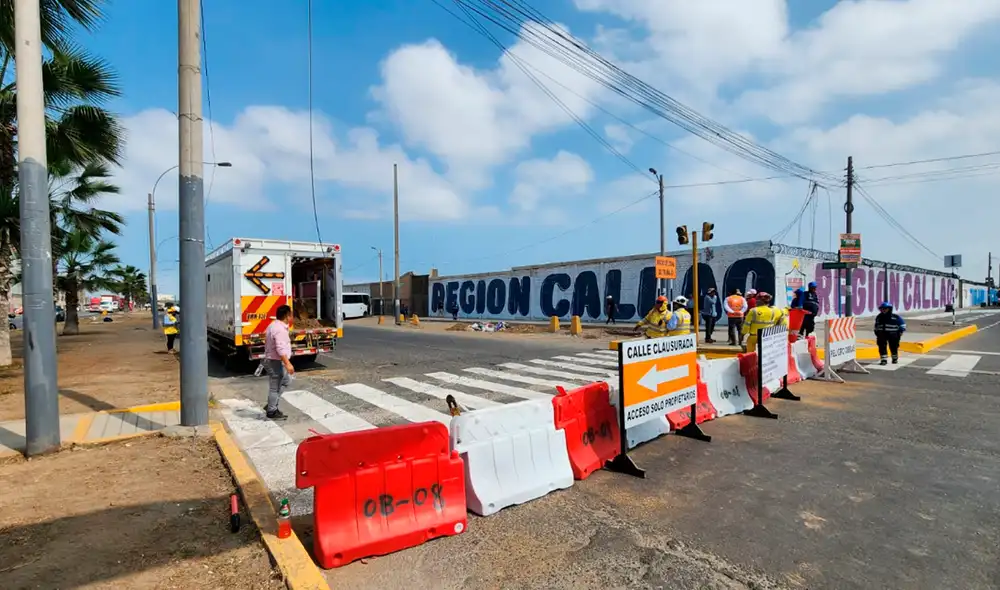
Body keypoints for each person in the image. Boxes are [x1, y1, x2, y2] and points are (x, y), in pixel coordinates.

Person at [264, 305, 295, 420]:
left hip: (273, 360)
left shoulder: (274, 325)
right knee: (275, 387)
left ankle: (272, 403)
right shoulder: (279, 329)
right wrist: (287, 363)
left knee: (287, 380)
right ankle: (271, 411)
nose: (292, 317)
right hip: (275, 361)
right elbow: (280, 348)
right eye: (291, 315)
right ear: (287, 316)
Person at [874, 301, 906, 365]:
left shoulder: (896, 317)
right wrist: (876, 332)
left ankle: (894, 358)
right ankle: (883, 360)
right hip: (882, 334)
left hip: (893, 334)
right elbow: (876, 325)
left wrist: (901, 331)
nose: (883, 310)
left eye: (885, 308)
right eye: (882, 308)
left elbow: (902, 324)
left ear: (889, 309)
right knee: (882, 346)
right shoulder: (879, 317)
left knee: (894, 346)